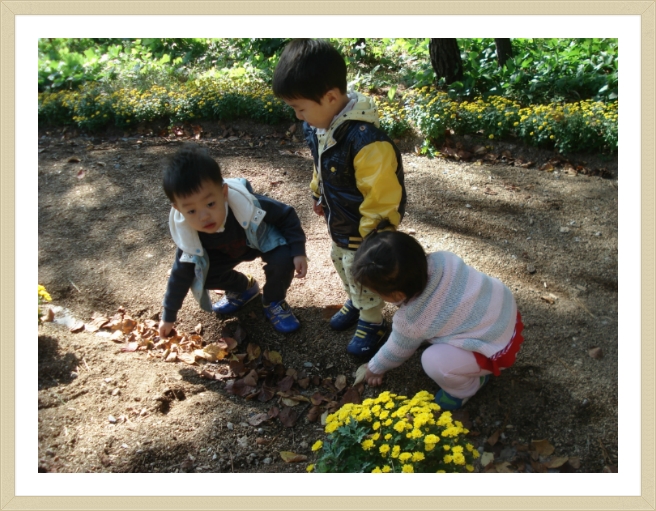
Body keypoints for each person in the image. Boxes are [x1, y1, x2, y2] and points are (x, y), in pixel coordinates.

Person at [272, 38, 407, 356]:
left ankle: (372, 320)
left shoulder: (367, 142)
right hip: (340, 217)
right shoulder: (321, 128)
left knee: (362, 270)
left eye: (300, 108)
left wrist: (373, 235)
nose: (298, 116)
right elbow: (321, 164)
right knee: (340, 260)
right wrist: (318, 192)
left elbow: (382, 196)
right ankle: (356, 302)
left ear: (331, 97)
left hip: (365, 227)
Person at [351, 230, 525, 410]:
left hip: (495, 349)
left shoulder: (412, 319)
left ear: (397, 294)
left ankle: (466, 389)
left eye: (377, 292)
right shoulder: (443, 260)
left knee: (434, 361)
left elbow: (396, 349)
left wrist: (375, 367)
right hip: (505, 312)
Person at [158, 144, 308, 337]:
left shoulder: (248, 204)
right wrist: (168, 316)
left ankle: (273, 300)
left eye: (210, 204)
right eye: (192, 211)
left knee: (284, 259)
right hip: (223, 254)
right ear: (178, 209)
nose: (204, 216)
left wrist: (298, 250)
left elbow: (286, 215)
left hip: (259, 239)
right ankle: (244, 288)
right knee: (199, 274)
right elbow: (179, 275)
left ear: (224, 193)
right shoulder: (188, 234)